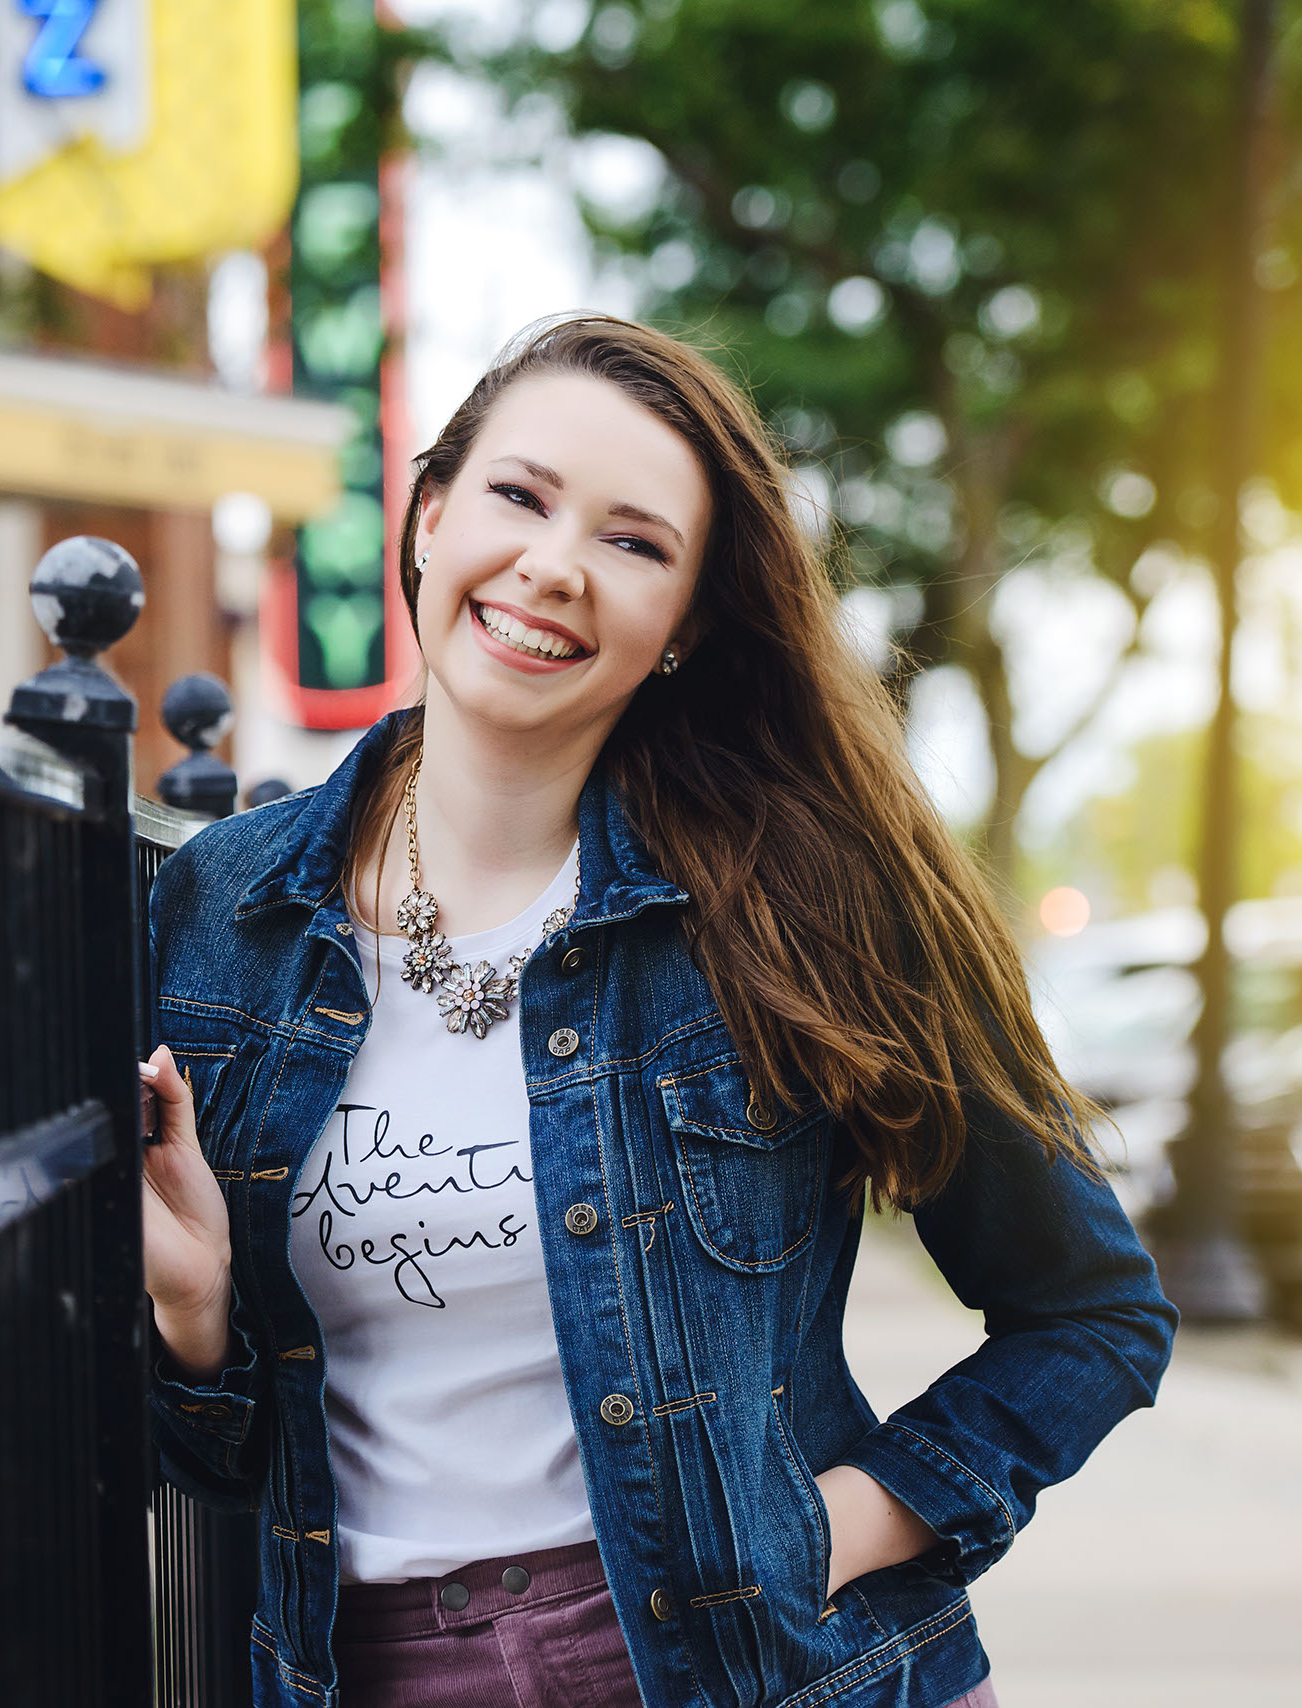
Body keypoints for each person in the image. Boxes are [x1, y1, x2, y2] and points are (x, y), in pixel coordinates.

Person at [139, 316, 1176, 1708]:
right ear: (431, 516)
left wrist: (831, 1531)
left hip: (767, 1672)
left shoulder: (800, 897)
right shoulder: (227, 913)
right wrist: (195, 1307)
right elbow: (215, 1470)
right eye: (519, 497)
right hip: (372, 1669)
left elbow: (1093, 1309)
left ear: (684, 623)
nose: (554, 565)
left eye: (633, 542)